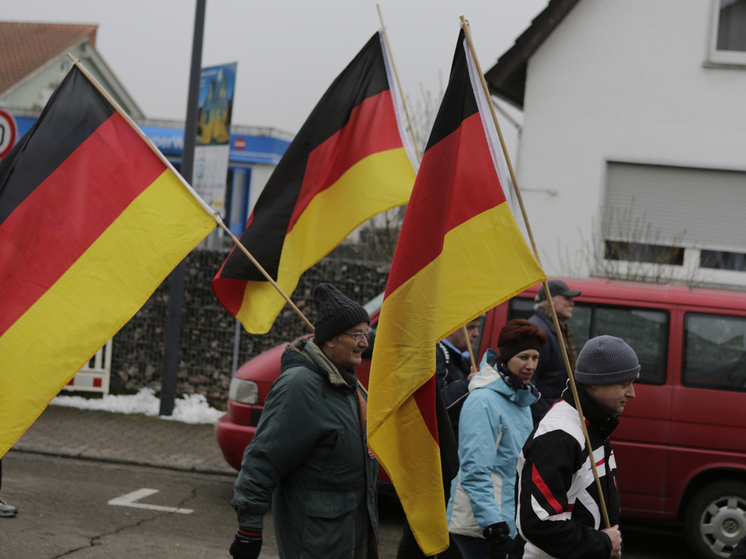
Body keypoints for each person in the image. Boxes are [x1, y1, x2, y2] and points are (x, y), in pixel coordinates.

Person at [229, 283, 378, 559]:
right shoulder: (301, 386)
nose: (365, 342)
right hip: (317, 542)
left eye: (365, 333)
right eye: (356, 335)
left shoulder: (349, 384)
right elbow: (263, 459)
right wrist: (249, 529)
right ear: (330, 339)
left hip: (350, 537)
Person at [515, 335, 639, 559]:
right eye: (624, 384)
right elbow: (538, 522)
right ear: (595, 383)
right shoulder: (559, 436)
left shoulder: (595, 424)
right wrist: (602, 543)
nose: (631, 393)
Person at [447, 319, 546, 559]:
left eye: (535, 357)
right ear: (506, 357)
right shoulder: (484, 401)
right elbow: (474, 469)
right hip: (481, 526)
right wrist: (493, 524)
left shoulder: (518, 396)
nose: (530, 365)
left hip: (504, 520)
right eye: (523, 357)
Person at [528, 279, 581, 425]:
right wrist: (544, 420)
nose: (572, 304)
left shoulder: (554, 329)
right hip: (542, 417)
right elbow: (529, 383)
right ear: (551, 301)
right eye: (567, 299)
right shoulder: (539, 331)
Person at [436, 318, 481, 442]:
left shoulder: (461, 357)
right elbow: (438, 403)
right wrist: (468, 384)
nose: (476, 333)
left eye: (477, 327)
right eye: (470, 327)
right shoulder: (437, 355)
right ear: (451, 328)